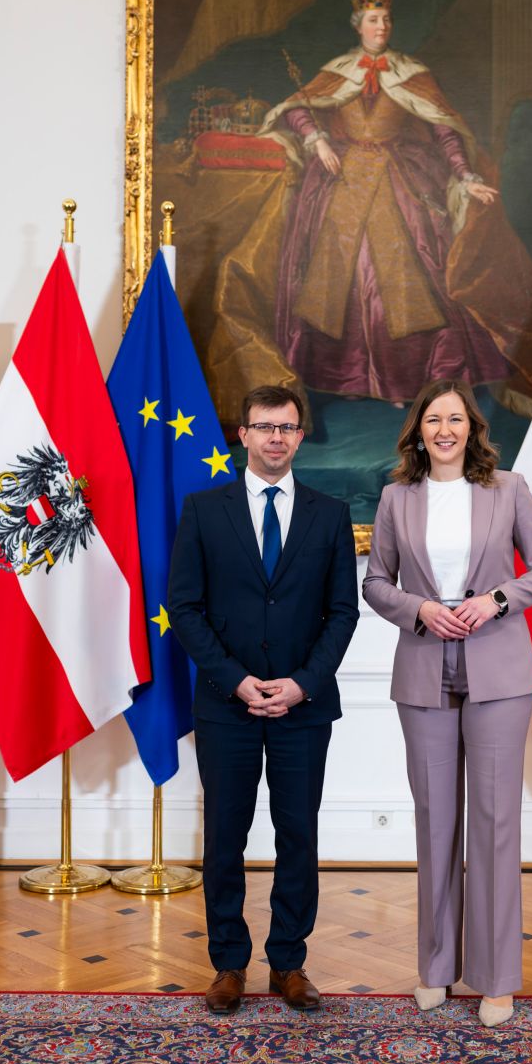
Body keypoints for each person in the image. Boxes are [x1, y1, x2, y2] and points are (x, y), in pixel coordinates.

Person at [259, 0, 532, 405]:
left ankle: (404, 380)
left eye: (386, 19)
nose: (381, 26)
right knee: (339, 277)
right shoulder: (338, 71)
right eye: (373, 20)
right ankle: (349, 380)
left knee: (403, 272)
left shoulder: (411, 73)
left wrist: (465, 175)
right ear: (358, 26)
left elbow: (445, 130)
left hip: (397, 179)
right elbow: (295, 109)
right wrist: (317, 140)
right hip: (341, 180)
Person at [362, 380, 532, 1027]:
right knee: (436, 821)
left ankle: (497, 978)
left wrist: (495, 600)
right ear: (417, 431)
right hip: (423, 666)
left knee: (496, 823)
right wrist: (417, 609)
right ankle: (435, 966)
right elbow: (375, 582)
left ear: (471, 428)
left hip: (500, 668)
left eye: (455, 418)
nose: (443, 428)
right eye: (432, 419)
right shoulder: (396, 497)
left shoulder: (508, 487)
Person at [167, 384, 359, 1015]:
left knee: (297, 835)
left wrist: (302, 682)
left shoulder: (330, 515)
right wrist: (236, 680)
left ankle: (288, 963)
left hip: (305, 708)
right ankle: (228, 963)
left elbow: (342, 613)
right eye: (263, 426)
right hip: (228, 705)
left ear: (301, 437)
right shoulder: (203, 509)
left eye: (287, 427)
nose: (276, 437)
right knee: (225, 836)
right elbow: (186, 609)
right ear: (242, 435)